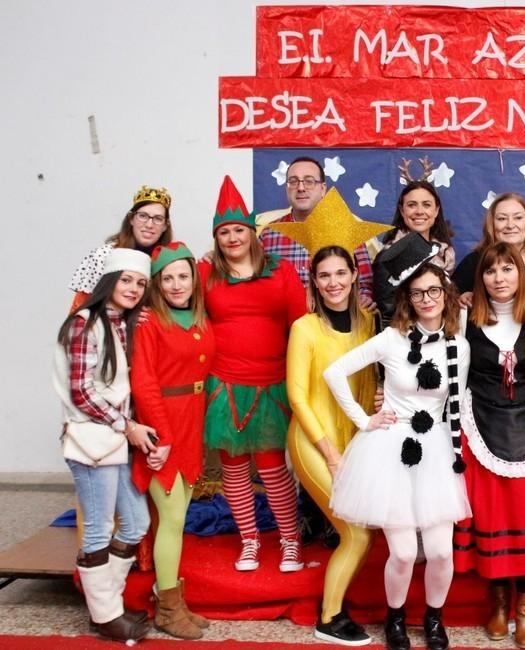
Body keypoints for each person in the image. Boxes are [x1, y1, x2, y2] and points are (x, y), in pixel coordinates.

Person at [324, 235, 471, 650]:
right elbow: (335, 373)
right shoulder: (391, 339)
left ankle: (435, 619)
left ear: (445, 293)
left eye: (434, 290)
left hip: (437, 448)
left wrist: (461, 450)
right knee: (404, 552)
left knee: (442, 552)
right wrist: (364, 419)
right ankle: (395, 619)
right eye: (418, 292)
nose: (427, 299)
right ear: (408, 297)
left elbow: (458, 403)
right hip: (391, 447)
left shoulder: (458, 345)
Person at [454, 243, 525, 648]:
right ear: (480, 278)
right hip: (481, 427)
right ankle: (499, 604)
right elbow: (458, 379)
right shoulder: (465, 317)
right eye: (491, 271)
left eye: (507, 269)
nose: (499, 278)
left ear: (521, 274)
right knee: (495, 521)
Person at [198, 176, 307, 573]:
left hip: (272, 384)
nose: (231, 238)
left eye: (238, 230)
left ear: (251, 232)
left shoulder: (280, 272)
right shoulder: (204, 273)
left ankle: (290, 541)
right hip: (224, 384)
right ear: (217, 236)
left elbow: (301, 326)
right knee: (233, 467)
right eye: (224, 231)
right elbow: (171, 301)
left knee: (273, 466)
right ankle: (249, 541)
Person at [54, 248, 153, 644]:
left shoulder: (119, 324)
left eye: (141, 283)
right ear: (108, 282)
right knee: (98, 530)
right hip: (93, 442)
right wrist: (126, 426)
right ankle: (106, 615)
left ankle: (107, 605)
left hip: (114, 441)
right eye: (126, 280)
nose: (133, 288)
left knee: (137, 523)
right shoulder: (84, 324)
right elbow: (82, 391)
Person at [286, 246, 379, 644]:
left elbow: (370, 383)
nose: (334, 282)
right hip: (313, 441)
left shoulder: (369, 323)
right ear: (314, 281)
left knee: (365, 532)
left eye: (341, 273)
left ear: (355, 275)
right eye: (324, 276)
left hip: (353, 438)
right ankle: (329, 617)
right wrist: (329, 452)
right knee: (356, 533)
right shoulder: (304, 328)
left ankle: (337, 605)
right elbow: (297, 397)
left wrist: (377, 406)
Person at [129, 242, 215, 639]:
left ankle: (175, 601)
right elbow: (144, 383)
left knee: (177, 519)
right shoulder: (149, 322)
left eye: (183, 276)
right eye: (168, 278)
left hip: (192, 423)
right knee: (174, 517)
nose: (177, 284)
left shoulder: (198, 316)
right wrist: (160, 436)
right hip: (165, 426)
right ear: (157, 284)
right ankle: (166, 607)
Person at [355, 179, 455, 318]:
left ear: (436, 210)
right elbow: (388, 313)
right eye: (412, 205)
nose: (419, 211)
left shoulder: (446, 255)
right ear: (402, 211)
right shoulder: (387, 258)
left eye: (426, 205)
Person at [69, 185, 172, 311]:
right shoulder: (103, 255)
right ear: (131, 219)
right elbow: (80, 308)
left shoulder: (169, 262)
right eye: (143, 216)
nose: (149, 224)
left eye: (158, 219)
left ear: (165, 226)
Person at [452, 192, 525, 306]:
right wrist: (461, 298)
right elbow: (448, 299)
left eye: (518, 218)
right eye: (502, 219)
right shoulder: (474, 262)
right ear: (491, 224)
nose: (510, 225)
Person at [258, 156, 328, 286]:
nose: (301, 188)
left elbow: (364, 285)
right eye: (293, 181)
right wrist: (216, 256)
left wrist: (364, 297)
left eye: (309, 181)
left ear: (323, 189)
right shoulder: (269, 233)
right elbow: (250, 276)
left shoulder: (345, 228)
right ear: (287, 188)